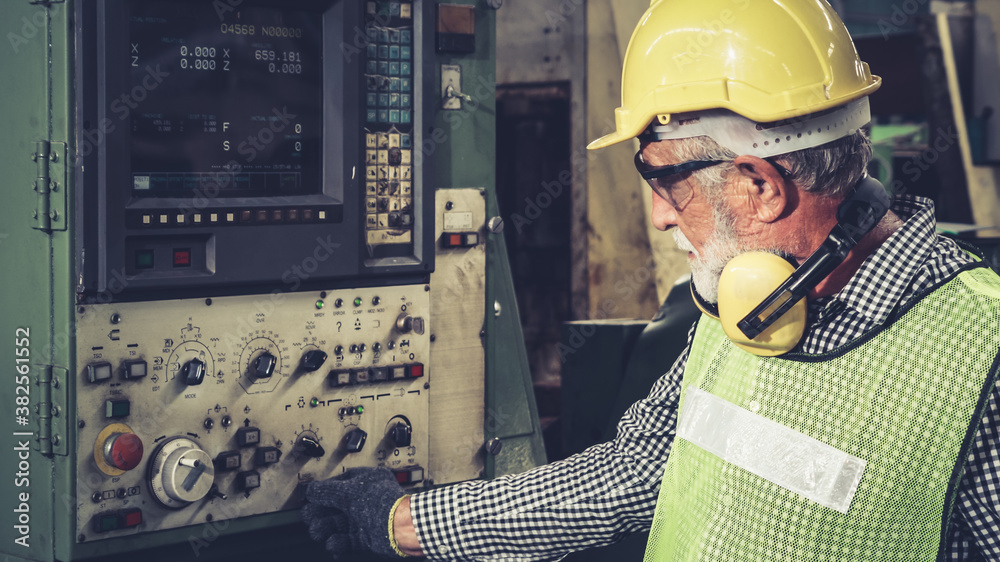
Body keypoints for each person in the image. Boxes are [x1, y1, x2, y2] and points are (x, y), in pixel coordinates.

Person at [302, 0, 1000, 559]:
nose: (662, 217)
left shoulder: (980, 357)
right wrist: (407, 524)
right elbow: (636, 472)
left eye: (664, 180)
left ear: (760, 186)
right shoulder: (750, 303)